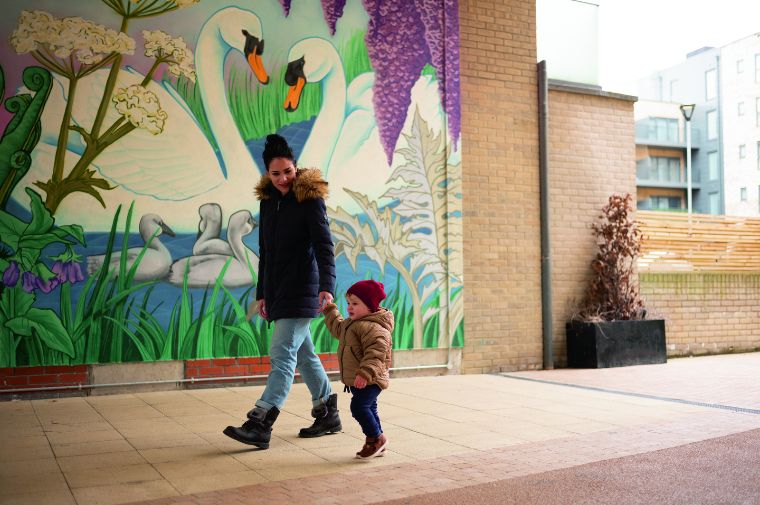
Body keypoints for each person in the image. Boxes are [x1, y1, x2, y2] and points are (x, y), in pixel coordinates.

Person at [223, 134, 341, 449]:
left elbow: (324, 246)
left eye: (287, 171)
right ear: (268, 174)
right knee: (304, 356)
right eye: (276, 174)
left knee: (282, 355)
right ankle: (328, 411)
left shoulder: (309, 198)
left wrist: (327, 287)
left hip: (304, 289)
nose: (283, 179)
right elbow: (266, 252)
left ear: (295, 166)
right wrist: (263, 294)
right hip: (279, 292)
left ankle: (260, 423)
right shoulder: (268, 201)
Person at [321, 279, 394, 459]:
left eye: (355, 303)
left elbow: (376, 354)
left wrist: (365, 373)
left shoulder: (375, 328)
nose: (350, 307)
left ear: (370, 305)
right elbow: (337, 328)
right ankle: (380, 440)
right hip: (360, 377)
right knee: (369, 408)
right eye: (348, 303)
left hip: (371, 377)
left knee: (359, 407)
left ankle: (374, 439)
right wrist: (330, 309)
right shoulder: (352, 324)